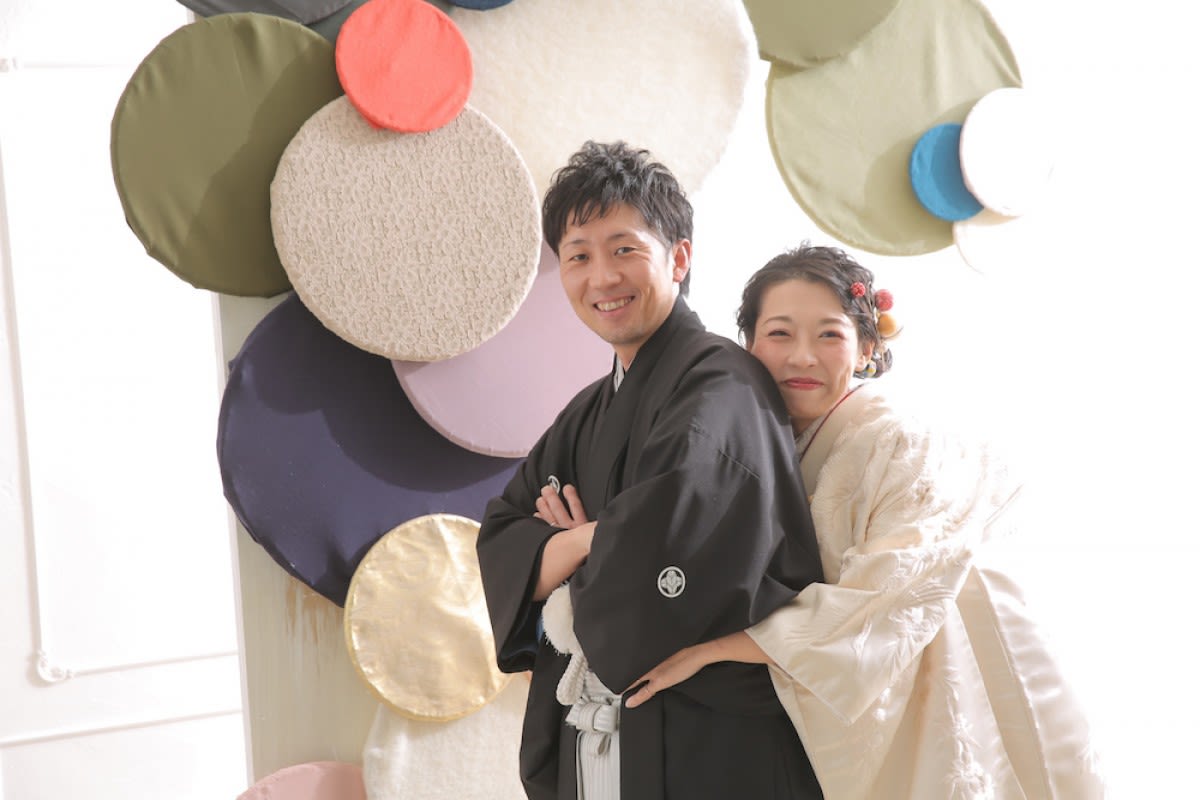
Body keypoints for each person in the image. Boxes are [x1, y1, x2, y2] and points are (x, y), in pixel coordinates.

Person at [623, 244, 1108, 799]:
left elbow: (882, 599)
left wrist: (711, 649)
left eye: (829, 335)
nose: (802, 356)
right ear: (749, 344)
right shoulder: (758, 440)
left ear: (866, 348)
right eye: (780, 333)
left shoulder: (905, 441)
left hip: (944, 666)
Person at [475, 142, 826, 800]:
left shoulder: (722, 383)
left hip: (709, 746)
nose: (602, 277)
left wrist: (568, 551)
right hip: (603, 740)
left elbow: (665, 536)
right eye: (578, 256)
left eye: (624, 249)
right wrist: (590, 541)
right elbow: (502, 535)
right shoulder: (586, 411)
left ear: (679, 258)